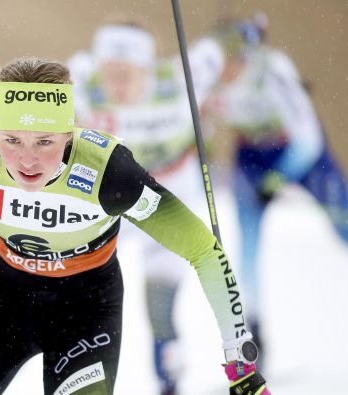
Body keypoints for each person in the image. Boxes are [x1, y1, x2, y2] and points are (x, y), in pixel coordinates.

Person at [0, 57, 270, 395]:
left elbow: (202, 248)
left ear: (70, 133)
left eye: (44, 142)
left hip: (83, 311)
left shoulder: (108, 172)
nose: (26, 160)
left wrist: (240, 357)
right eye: (12, 140)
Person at [66, 17, 232, 395]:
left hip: (170, 192)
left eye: (128, 74)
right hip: (115, 194)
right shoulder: (81, 80)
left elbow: (219, 49)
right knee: (86, 291)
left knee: (158, 305)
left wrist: (240, 35)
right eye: (111, 73)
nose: (118, 85)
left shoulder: (180, 78)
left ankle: (168, 382)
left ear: (148, 68)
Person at [202, 14, 348, 364]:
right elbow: (202, 121)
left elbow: (308, 139)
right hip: (251, 158)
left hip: (299, 154)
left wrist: (276, 181)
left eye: (234, 62)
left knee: (345, 230)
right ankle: (252, 329)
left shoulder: (272, 70)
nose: (228, 72)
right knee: (247, 244)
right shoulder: (209, 77)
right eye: (223, 64)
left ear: (247, 57)